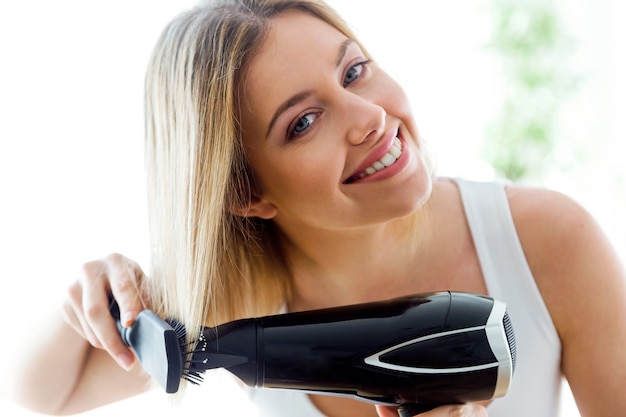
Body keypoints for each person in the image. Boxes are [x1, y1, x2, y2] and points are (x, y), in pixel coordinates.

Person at [5, 0, 626, 416]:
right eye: (303, 122)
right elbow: (41, 394)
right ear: (247, 193)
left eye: (354, 72)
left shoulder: (546, 240)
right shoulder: (227, 306)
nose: (371, 118)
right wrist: (84, 302)